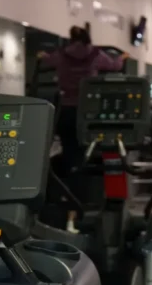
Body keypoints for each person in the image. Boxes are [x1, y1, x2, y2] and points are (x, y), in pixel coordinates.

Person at [38, 26, 128, 177]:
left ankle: (69, 180)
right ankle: (85, 180)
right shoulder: (95, 54)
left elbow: (47, 60)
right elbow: (114, 66)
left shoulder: (62, 54)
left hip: (65, 110)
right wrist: (122, 57)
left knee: (68, 147)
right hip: (88, 110)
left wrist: (42, 55)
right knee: (88, 146)